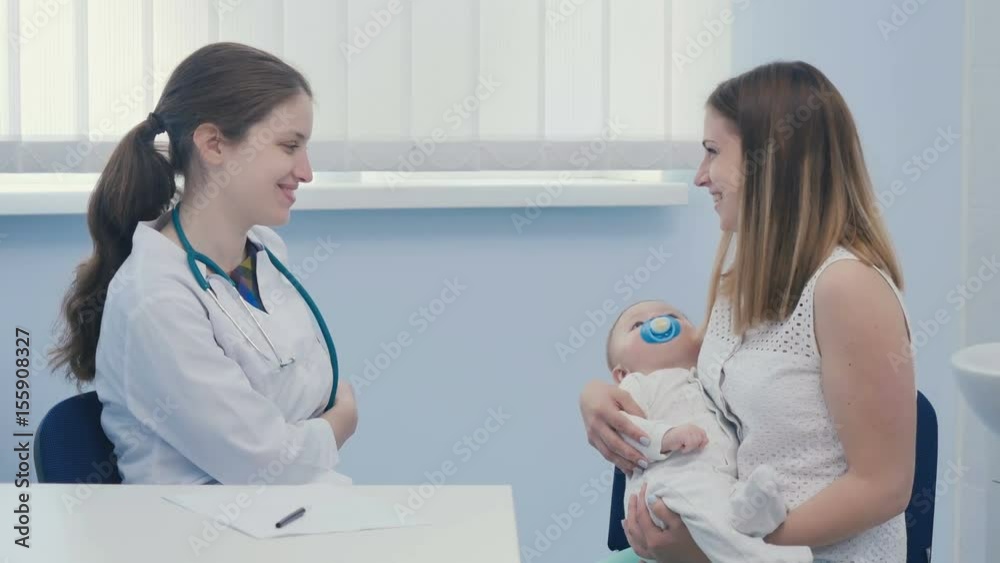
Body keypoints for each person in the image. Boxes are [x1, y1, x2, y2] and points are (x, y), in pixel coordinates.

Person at [580, 61, 916, 562]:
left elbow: (883, 487)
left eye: (713, 153)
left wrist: (718, 544)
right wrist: (596, 397)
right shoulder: (744, 275)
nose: (700, 178)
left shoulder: (847, 288)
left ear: (769, 160)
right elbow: (691, 370)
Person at [49, 42, 357, 485]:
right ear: (213, 144)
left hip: (288, 513)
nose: (306, 171)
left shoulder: (265, 256)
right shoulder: (155, 295)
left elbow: (290, 420)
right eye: (290, 146)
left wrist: (302, 439)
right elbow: (263, 461)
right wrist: (337, 425)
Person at [601, 300, 811, 563]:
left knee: (732, 501)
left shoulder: (711, 382)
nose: (659, 324)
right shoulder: (636, 385)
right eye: (638, 325)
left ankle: (752, 513)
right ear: (621, 373)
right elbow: (626, 429)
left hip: (720, 481)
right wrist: (666, 437)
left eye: (672, 315)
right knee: (705, 505)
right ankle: (762, 557)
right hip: (667, 486)